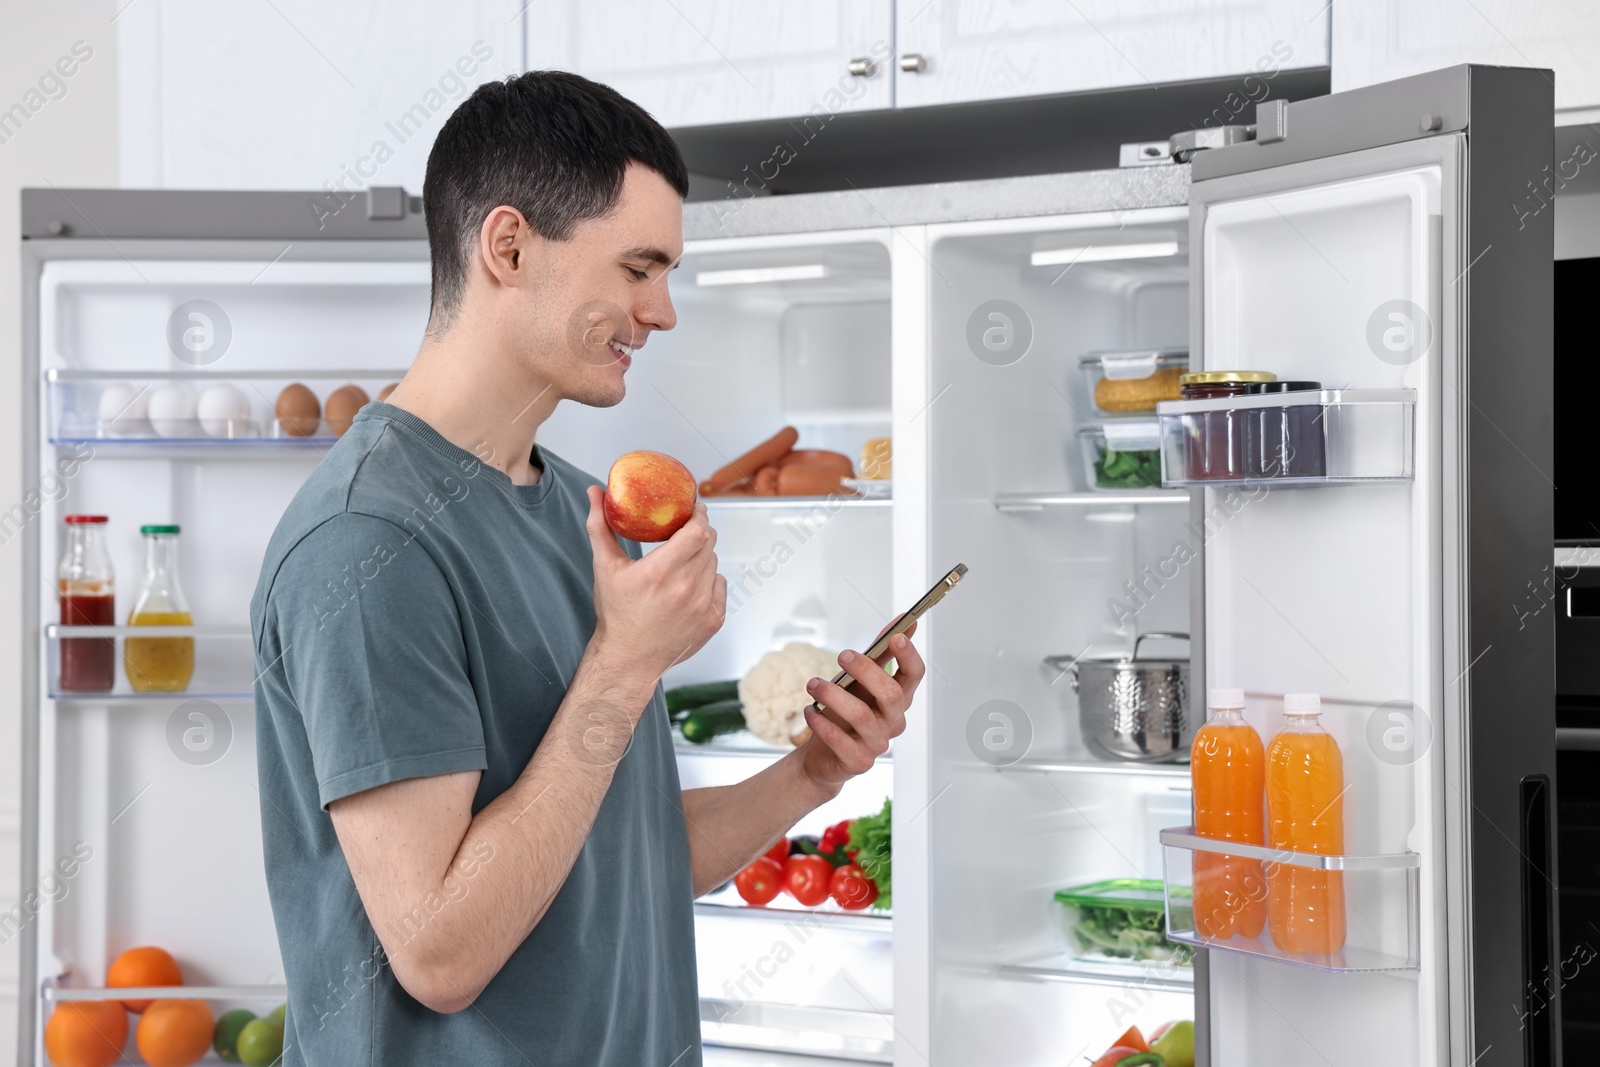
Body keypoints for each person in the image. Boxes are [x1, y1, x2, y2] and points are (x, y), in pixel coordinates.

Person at [249, 70, 925, 1066]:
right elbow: (440, 950)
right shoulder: (369, 545)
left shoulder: (578, 509)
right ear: (509, 246)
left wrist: (814, 770)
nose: (662, 312)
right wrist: (622, 662)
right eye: (637, 268)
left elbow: (620, 856)